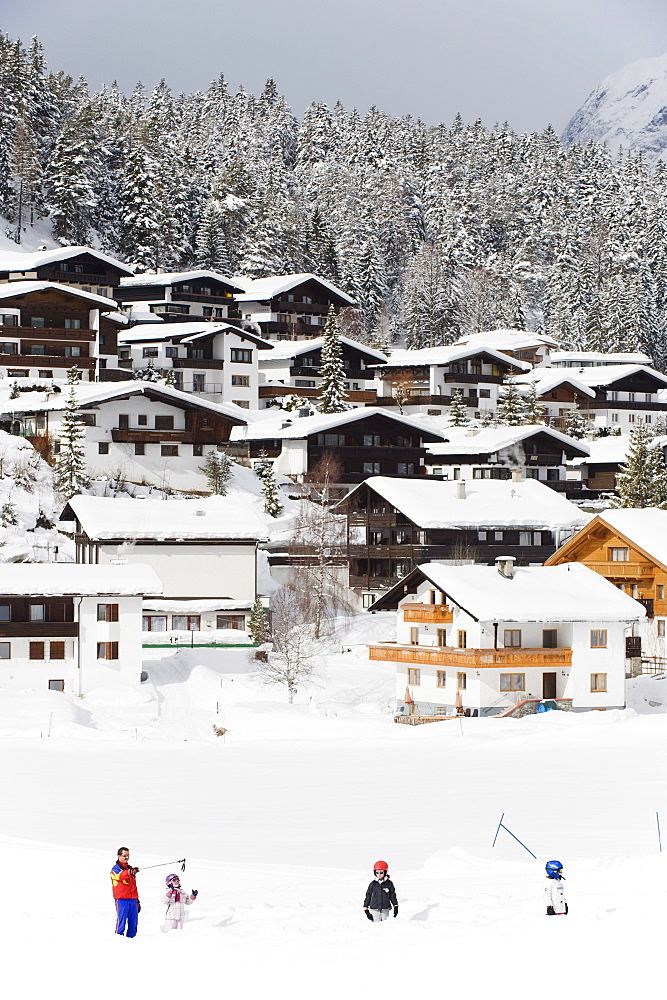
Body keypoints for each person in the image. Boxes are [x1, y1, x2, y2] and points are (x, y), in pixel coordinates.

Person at [110, 847, 141, 937]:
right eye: (124, 856)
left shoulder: (129, 869)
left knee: (133, 924)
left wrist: (137, 901)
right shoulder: (115, 869)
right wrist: (129, 872)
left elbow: (133, 886)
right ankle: (118, 939)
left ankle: (131, 940)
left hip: (132, 900)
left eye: (128, 855)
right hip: (122, 900)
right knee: (121, 923)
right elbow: (120, 876)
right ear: (119, 856)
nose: (126, 857)